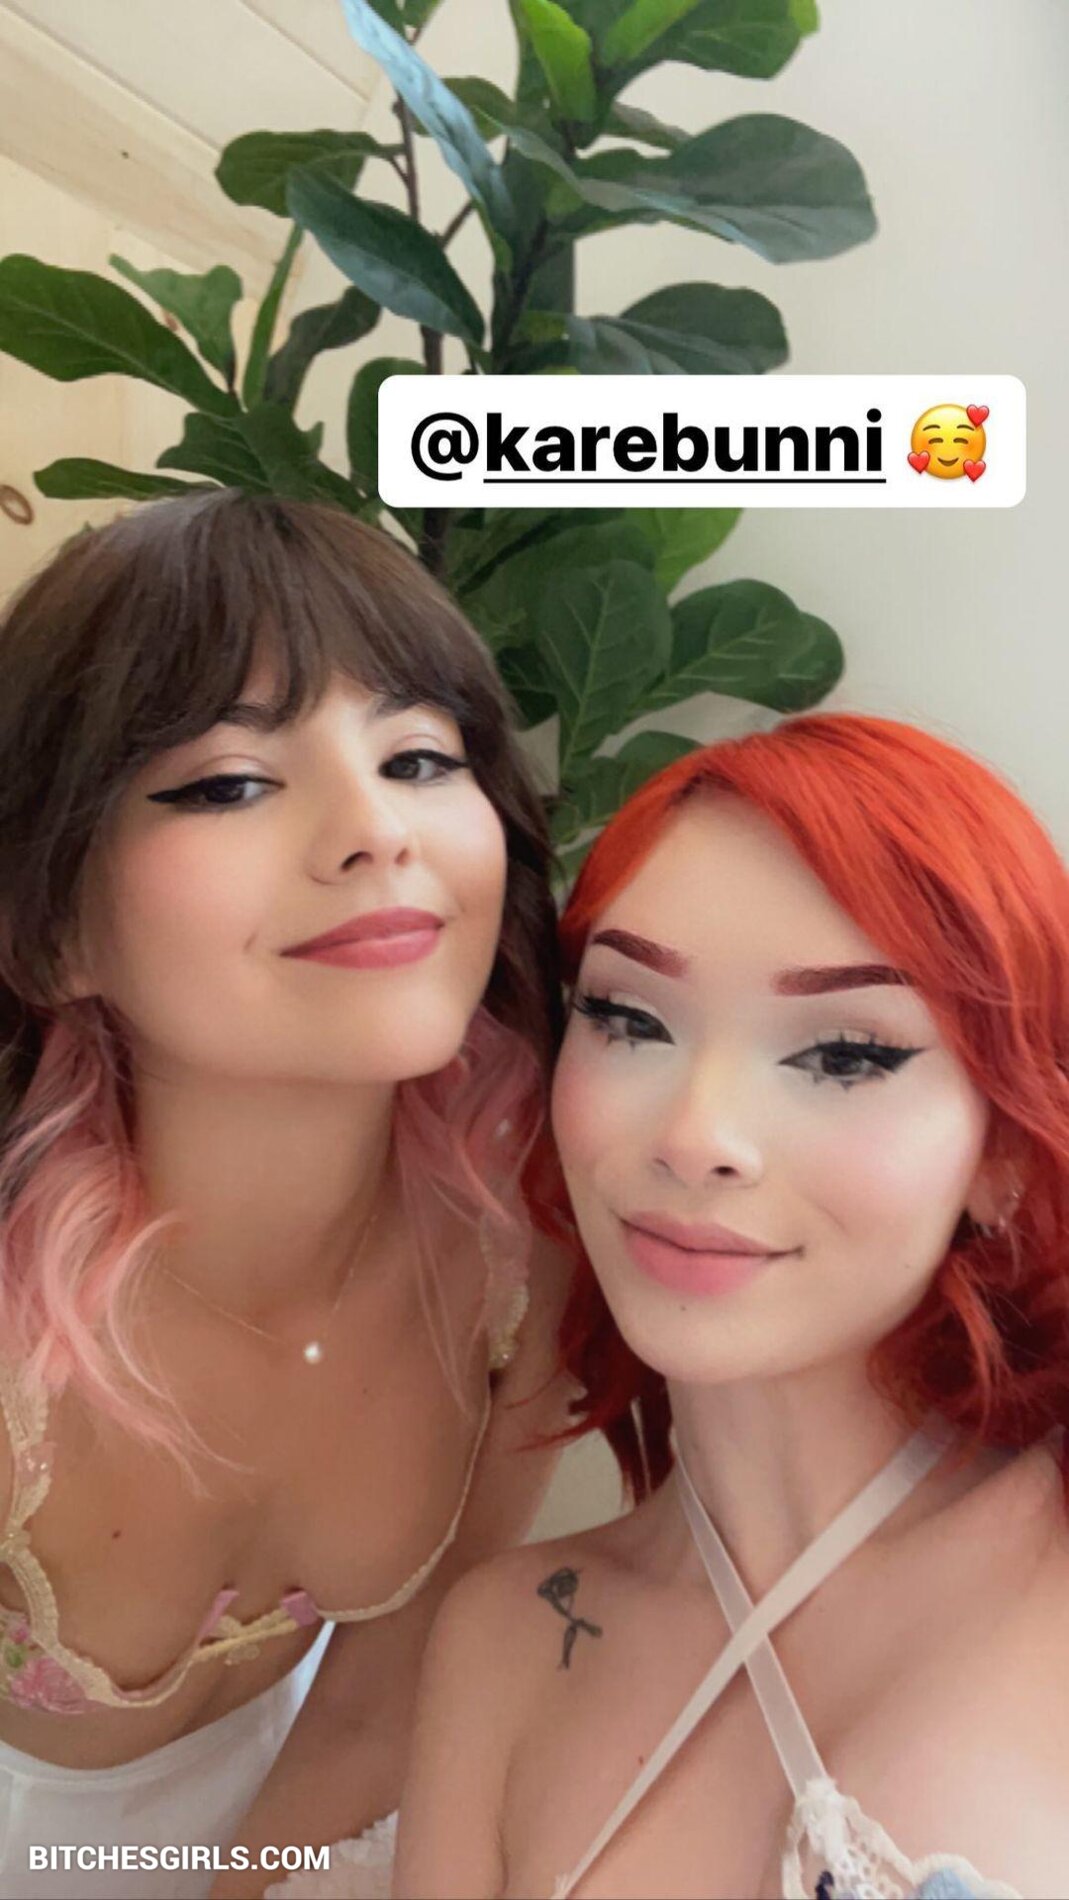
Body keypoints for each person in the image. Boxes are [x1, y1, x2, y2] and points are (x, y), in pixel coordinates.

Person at [0, 491, 573, 1899]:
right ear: (51, 925)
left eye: (420, 756)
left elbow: (382, 1696)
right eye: (228, 782)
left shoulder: (529, 1249)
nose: (375, 829)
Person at [395, 714, 1069, 1900]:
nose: (696, 1134)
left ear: (1004, 1149)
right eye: (630, 1017)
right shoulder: (505, 1643)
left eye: (844, 1053)